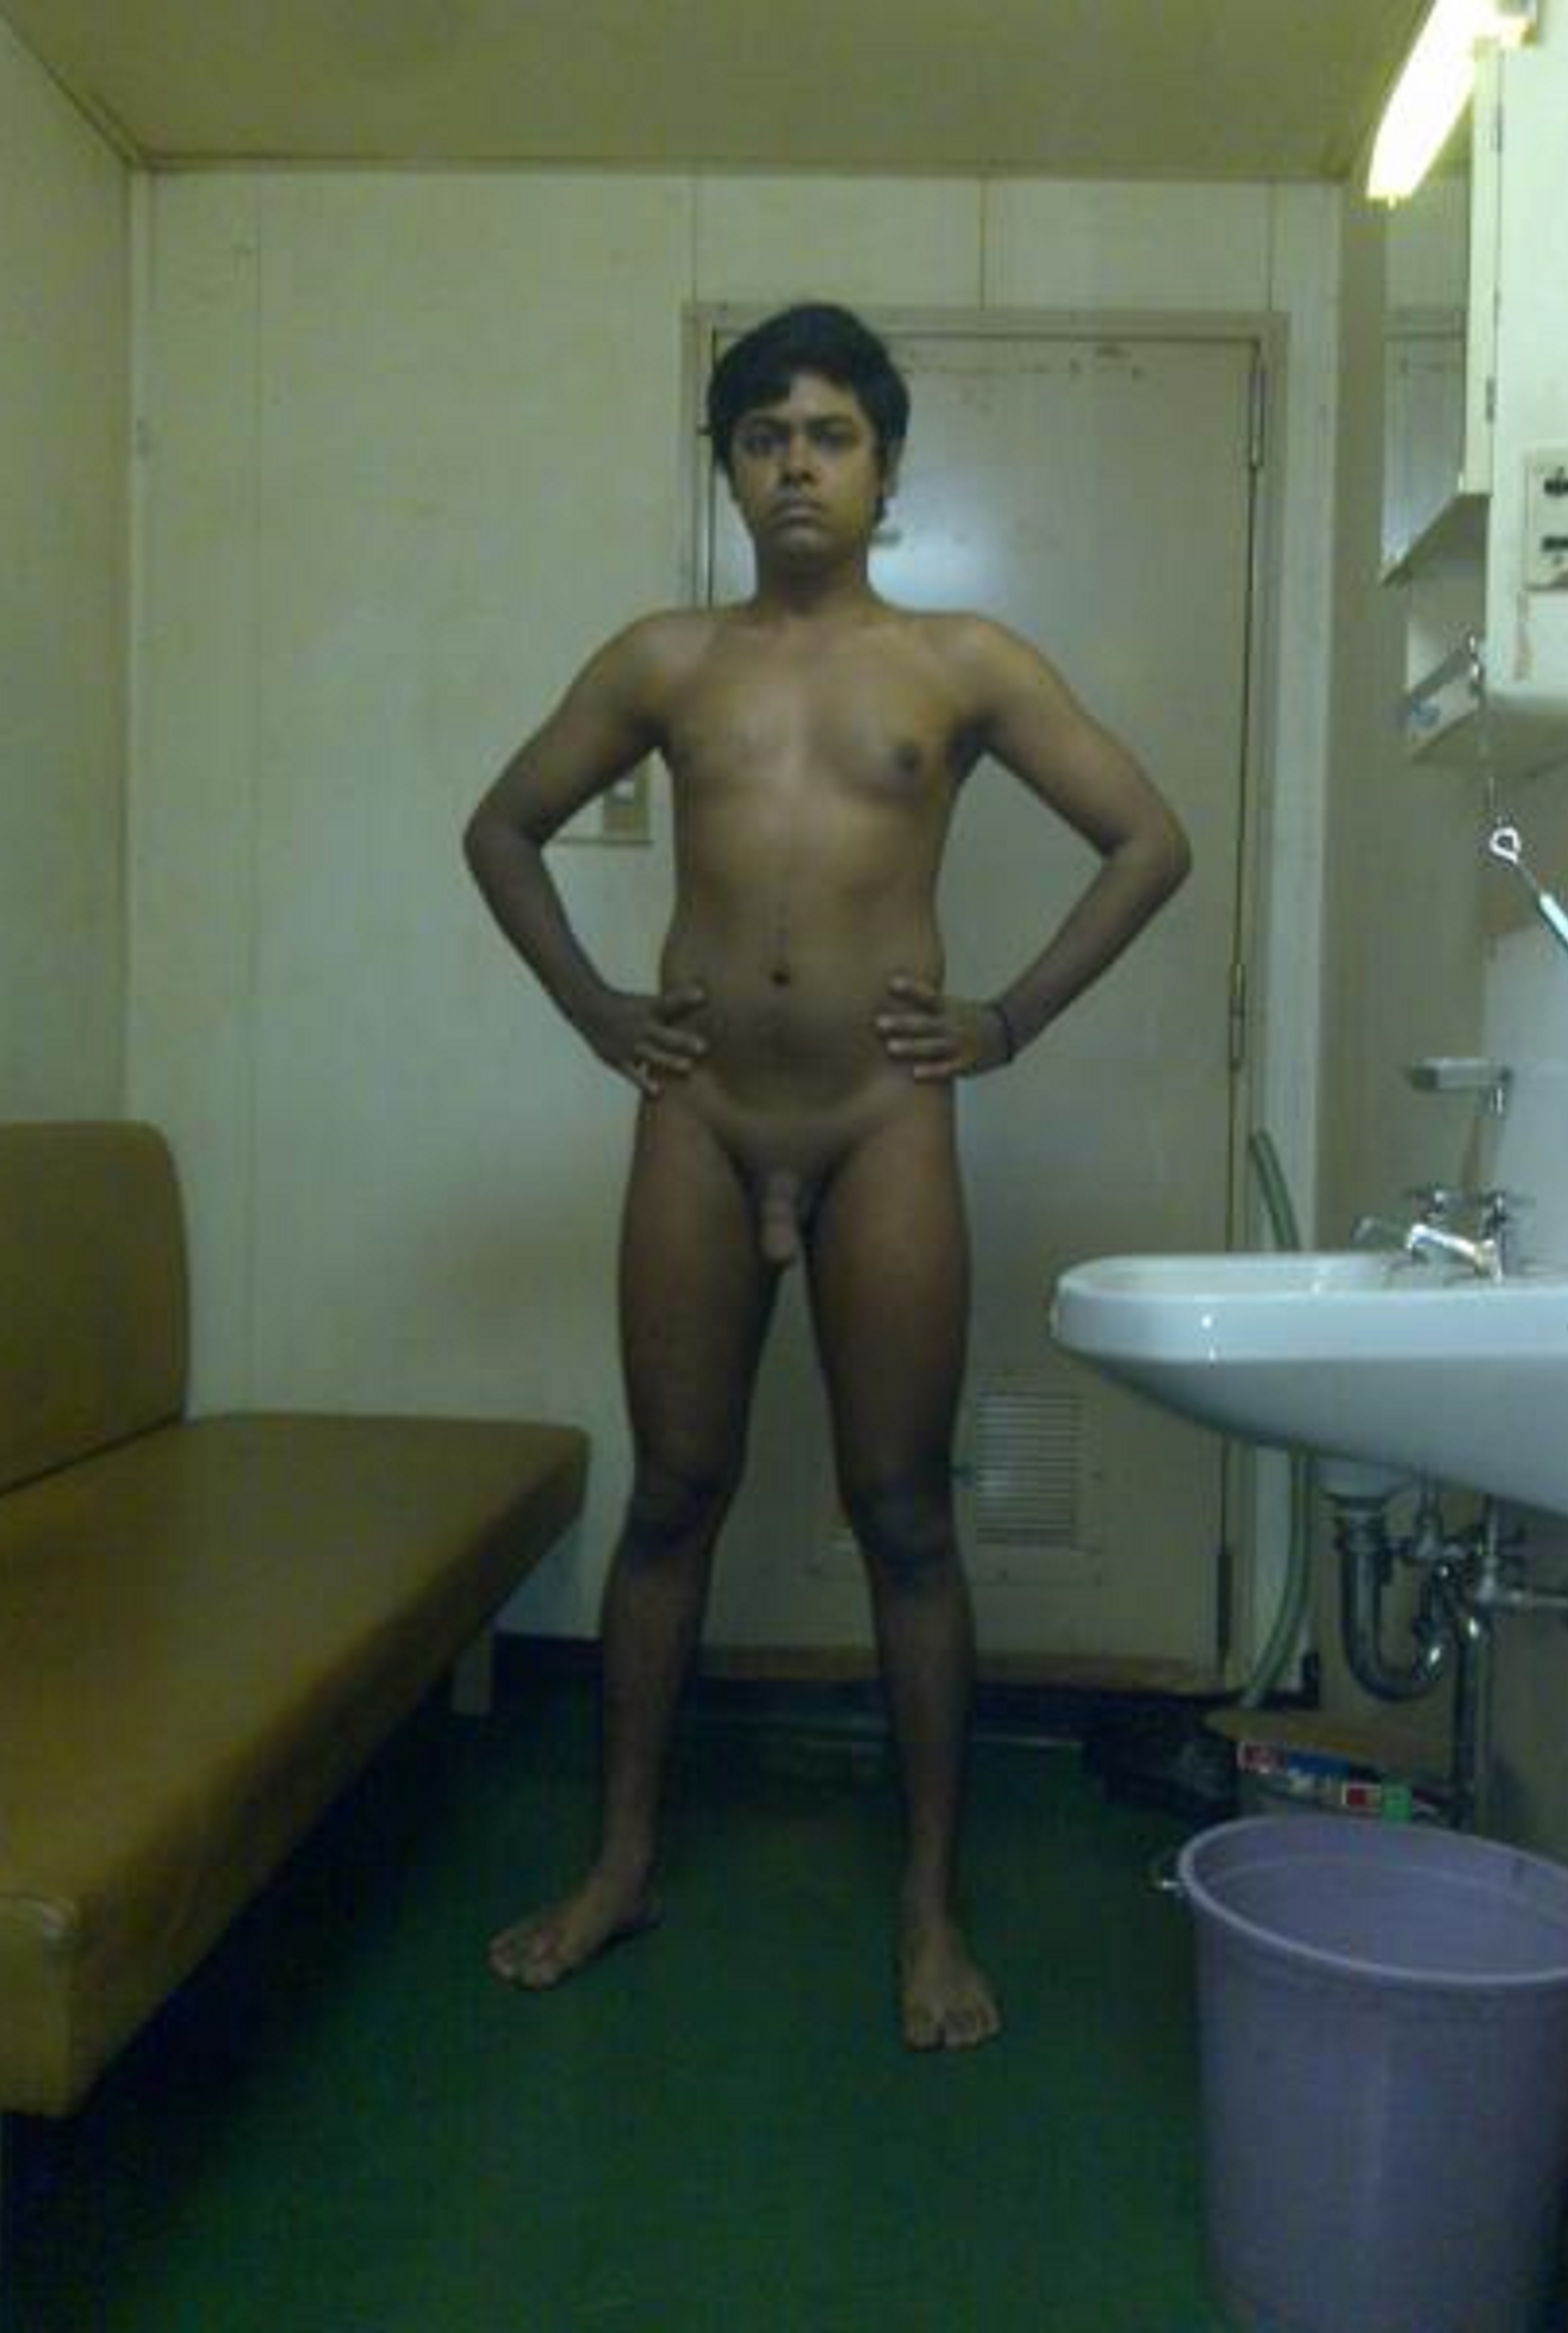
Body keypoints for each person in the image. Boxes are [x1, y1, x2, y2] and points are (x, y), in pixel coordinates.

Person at [463, 303, 1190, 2050]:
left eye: (830, 435)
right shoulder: (662, 663)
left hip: (881, 1122)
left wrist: (1007, 1019)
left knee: (905, 1513)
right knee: (671, 1496)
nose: (796, 464)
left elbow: (1146, 840)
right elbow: (502, 828)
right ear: (727, 471)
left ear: (885, 469)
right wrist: (594, 1011)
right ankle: (621, 1860)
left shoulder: (960, 664)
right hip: (701, 1117)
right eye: (763, 436)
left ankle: (929, 1909)